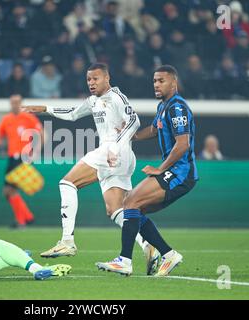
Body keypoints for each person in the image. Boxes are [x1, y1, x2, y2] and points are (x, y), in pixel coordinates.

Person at [22, 63, 157, 269]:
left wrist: (116, 147)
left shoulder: (116, 97)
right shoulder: (93, 101)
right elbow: (73, 113)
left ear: (107, 78)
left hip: (113, 151)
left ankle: (67, 241)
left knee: (67, 183)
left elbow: (134, 122)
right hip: (119, 157)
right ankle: (148, 246)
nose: (91, 83)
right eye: (88, 80)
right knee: (116, 209)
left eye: (95, 79)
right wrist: (46, 109)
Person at [96, 65, 198, 276]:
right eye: (154, 81)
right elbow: (153, 129)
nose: (156, 85)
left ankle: (124, 260)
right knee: (135, 209)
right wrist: (130, 134)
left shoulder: (177, 107)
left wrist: (160, 169)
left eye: (161, 80)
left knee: (130, 202)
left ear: (174, 82)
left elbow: (183, 145)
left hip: (181, 172)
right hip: (175, 171)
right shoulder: (164, 106)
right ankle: (169, 255)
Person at [0, 94, 43, 228]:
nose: (14, 105)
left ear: (21, 103)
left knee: (10, 191)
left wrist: (36, 150)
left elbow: (40, 133)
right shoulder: (6, 119)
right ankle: (27, 217)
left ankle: (22, 221)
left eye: (17, 102)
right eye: (12, 102)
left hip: (22, 158)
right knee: (9, 192)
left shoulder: (28, 118)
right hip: (11, 158)